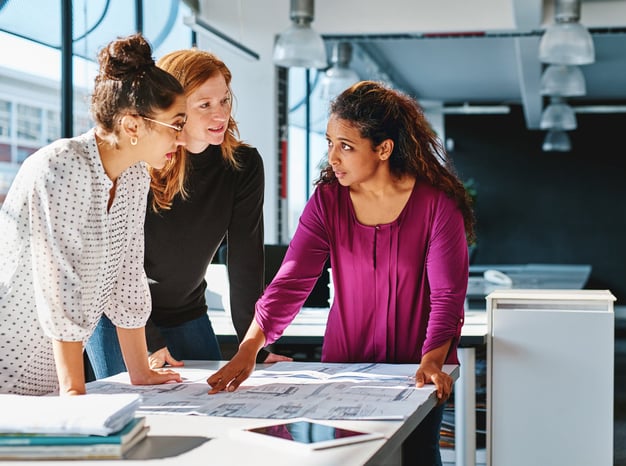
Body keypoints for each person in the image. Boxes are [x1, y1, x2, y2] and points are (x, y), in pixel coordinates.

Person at [206, 80, 476, 465]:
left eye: (346, 146)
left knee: (417, 457)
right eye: (330, 143)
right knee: (350, 459)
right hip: (344, 367)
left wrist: (432, 361)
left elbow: (447, 296)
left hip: (416, 370)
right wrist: (250, 348)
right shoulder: (328, 202)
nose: (333, 157)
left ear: (383, 149)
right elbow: (291, 282)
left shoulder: (437, 206)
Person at [0, 33, 186, 395]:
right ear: (132, 125)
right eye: (175, 125)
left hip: (52, 373)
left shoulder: (134, 175)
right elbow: (60, 288)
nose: (181, 139)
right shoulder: (61, 166)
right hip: (8, 364)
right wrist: (74, 392)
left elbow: (128, 275)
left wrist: (140, 372)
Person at [86, 48, 288, 378]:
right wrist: (149, 340)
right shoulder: (140, 164)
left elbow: (245, 265)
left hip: (186, 311)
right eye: (204, 105)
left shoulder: (243, 166)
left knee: (218, 401)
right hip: (118, 314)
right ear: (173, 107)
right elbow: (114, 265)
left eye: (224, 100)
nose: (220, 114)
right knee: (134, 411)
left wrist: (253, 347)